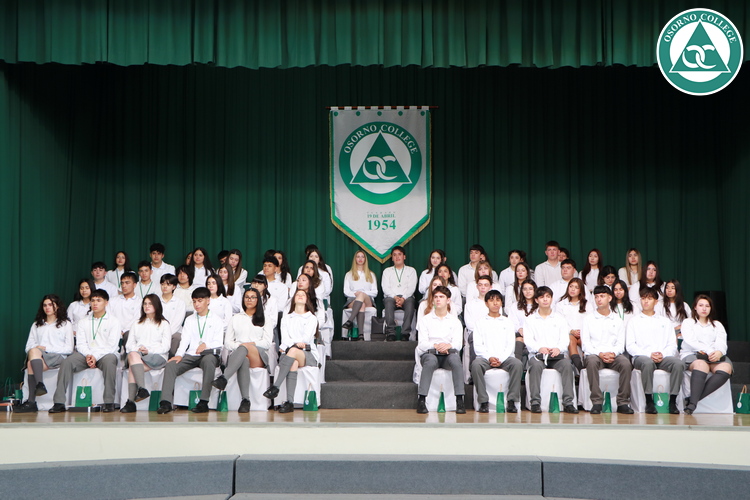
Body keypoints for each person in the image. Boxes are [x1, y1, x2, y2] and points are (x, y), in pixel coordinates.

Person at [49, 289, 122, 413]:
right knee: (67, 362)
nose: (95, 303)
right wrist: (89, 355)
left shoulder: (114, 321)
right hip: (86, 354)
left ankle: (109, 402)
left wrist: (95, 356)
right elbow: (80, 344)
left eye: (98, 300)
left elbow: (112, 346)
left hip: (105, 354)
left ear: (106, 302)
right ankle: (59, 402)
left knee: (110, 361)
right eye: (93, 300)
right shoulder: (83, 321)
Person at [157, 287, 225, 414]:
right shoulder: (189, 319)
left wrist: (206, 345)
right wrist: (179, 355)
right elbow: (184, 341)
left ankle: (204, 402)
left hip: (209, 354)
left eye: (200, 301)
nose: (196, 304)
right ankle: (165, 402)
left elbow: (219, 343)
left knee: (209, 361)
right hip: (192, 354)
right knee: (171, 365)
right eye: (194, 301)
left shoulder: (217, 320)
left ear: (208, 301)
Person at [213, 289, 273, 413]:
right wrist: (241, 347)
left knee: (244, 348)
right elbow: (228, 342)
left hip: (258, 355)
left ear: (258, 300)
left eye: (253, 297)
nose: (249, 300)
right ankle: (245, 400)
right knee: (244, 359)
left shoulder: (265, 318)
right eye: (247, 297)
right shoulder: (235, 318)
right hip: (239, 354)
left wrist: (248, 345)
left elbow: (267, 343)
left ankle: (224, 378)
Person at [626, 287, 683, 414]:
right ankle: (649, 401)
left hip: (663, 357)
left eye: (649, 299)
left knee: (678, 364)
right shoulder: (634, 321)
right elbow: (630, 346)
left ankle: (672, 401)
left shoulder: (665, 321)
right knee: (647, 363)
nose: (646, 301)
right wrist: (649, 354)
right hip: (642, 357)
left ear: (656, 302)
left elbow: (672, 345)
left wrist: (662, 354)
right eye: (643, 298)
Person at [15, 295, 75, 413]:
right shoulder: (37, 324)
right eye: (45, 305)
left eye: (50, 305)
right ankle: (39, 385)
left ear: (57, 306)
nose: (47, 307)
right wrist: (38, 349)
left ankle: (31, 401)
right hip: (39, 356)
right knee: (32, 354)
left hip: (57, 356)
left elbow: (69, 349)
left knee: (31, 362)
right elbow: (28, 346)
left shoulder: (65, 324)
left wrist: (47, 348)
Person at [263, 290, 320, 413]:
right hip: (290, 352)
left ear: (307, 299)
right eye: (297, 294)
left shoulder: (311, 318)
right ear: (294, 299)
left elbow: (306, 339)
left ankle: (275, 386)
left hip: (307, 353)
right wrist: (294, 344)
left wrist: (292, 344)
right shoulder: (286, 318)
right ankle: (289, 402)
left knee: (293, 351)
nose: (300, 296)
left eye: (303, 295)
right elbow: (285, 338)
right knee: (293, 362)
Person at [524, 286, 579, 414]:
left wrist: (558, 348)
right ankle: (535, 402)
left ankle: (568, 402)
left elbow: (564, 339)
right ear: (536, 300)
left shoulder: (559, 319)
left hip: (556, 356)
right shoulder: (530, 320)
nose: (545, 300)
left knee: (567, 365)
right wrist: (539, 348)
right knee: (535, 366)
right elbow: (529, 341)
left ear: (551, 299)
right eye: (542, 297)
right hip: (538, 355)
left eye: (548, 297)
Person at [580, 285, 633, 414]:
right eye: (596, 297)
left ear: (609, 298)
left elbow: (621, 344)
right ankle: (597, 402)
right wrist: (600, 353)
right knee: (591, 362)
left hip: (613, 355)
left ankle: (623, 402)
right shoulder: (588, 319)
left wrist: (613, 353)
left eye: (602, 296)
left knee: (626, 364)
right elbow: (585, 344)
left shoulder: (617, 319)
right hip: (595, 354)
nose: (599, 299)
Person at [470, 290, 522, 413]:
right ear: (486, 303)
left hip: (505, 358)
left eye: (498, 300)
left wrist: (501, 359)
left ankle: (511, 401)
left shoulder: (508, 322)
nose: (495, 303)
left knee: (517, 364)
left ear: (502, 303)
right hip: (485, 359)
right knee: (476, 365)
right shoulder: (480, 322)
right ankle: (483, 401)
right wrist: (490, 358)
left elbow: (510, 345)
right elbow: (478, 346)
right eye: (491, 300)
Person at [415, 286, 465, 414]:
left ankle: (460, 400)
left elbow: (458, 344)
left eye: (441, 297)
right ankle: (422, 400)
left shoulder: (455, 321)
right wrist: (435, 345)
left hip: (448, 354)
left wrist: (448, 345)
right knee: (430, 361)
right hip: (430, 353)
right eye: (436, 297)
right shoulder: (425, 320)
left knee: (456, 360)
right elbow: (422, 344)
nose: (438, 299)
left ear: (448, 300)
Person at [680, 295, 733, 415]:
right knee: (701, 365)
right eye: (701, 305)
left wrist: (719, 352)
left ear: (710, 308)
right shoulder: (688, 322)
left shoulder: (717, 325)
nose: (704, 308)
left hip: (714, 356)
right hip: (692, 354)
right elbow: (691, 341)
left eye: (707, 306)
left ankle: (693, 400)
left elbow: (721, 342)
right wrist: (709, 350)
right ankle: (692, 406)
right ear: (695, 307)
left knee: (726, 368)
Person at [120, 294, 171, 413]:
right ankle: (141, 389)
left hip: (157, 356)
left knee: (133, 367)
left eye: (150, 304)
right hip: (139, 355)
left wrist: (149, 350)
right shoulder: (137, 323)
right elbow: (129, 345)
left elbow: (166, 346)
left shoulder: (164, 323)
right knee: (132, 355)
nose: (147, 306)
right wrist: (139, 349)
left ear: (156, 306)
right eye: (145, 304)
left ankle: (131, 402)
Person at [382, 246, 417, 341]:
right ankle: (391, 333)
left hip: (407, 297)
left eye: (399, 254)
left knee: (410, 303)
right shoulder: (387, 271)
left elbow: (411, 287)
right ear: (392, 258)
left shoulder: (411, 270)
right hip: (391, 297)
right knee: (388, 302)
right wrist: (395, 297)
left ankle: (405, 333)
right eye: (394, 255)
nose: (397, 257)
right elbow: (385, 288)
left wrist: (403, 298)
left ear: (404, 257)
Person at [555, 277, 592, 371]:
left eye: (576, 287)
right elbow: (559, 322)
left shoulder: (587, 304)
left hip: (583, 333)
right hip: (568, 333)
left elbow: (590, 321)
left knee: (586, 342)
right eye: (571, 286)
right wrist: (571, 331)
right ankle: (580, 368)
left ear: (580, 290)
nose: (572, 289)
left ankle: (588, 365)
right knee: (571, 340)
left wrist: (581, 332)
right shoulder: (560, 304)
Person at [342, 250, 378, 334]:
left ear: (365, 259)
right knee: (361, 305)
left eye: (362, 257)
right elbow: (346, 291)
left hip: (368, 299)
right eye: (358, 257)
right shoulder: (349, 274)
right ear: (355, 259)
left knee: (361, 295)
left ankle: (350, 320)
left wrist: (362, 293)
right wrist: (356, 294)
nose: (360, 259)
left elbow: (375, 292)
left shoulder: (371, 274)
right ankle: (361, 335)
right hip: (352, 300)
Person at [109, 271, 142, 345]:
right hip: (113, 332)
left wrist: (124, 331)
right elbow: (109, 316)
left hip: (130, 334)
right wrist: (117, 330)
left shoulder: (140, 302)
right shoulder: (113, 300)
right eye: (122, 283)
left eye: (127, 283)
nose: (124, 286)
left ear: (134, 285)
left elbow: (137, 319)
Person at [160, 274, 187, 358]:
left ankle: (171, 359)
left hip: (174, 333)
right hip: (158, 332)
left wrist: (166, 335)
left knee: (178, 337)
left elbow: (177, 323)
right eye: (163, 284)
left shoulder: (180, 303)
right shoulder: (156, 301)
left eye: (168, 284)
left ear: (174, 287)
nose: (165, 287)